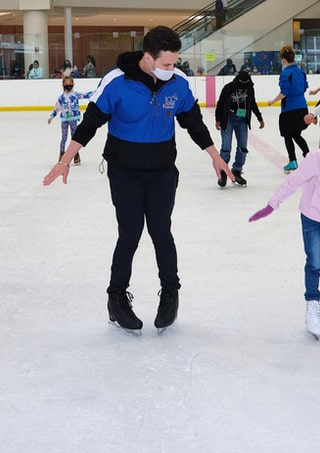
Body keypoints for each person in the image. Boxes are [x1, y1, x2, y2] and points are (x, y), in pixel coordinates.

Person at [43, 25, 234, 332]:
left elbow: (193, 122)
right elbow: (90, 123)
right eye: (167, 64)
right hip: (125, 172)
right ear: (148, 57)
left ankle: (170, 292)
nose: (173, 69)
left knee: (161, 232)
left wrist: (215, 155)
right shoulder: (117, 82)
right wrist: (65, 160)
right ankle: (116, 296)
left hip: (162, 172)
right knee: (130, 233)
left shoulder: (178, 84)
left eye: (175, 63)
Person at [249, 150, 320, 340]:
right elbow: (293, 182)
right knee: (315, 262)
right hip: (313, 218)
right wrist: (273, 204)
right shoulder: (315, 158)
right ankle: (313, 301)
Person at [215, 70, 265, 187]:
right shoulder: (228, 88)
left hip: (242, 120)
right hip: (228, 120)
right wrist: (218, 119)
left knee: (243, 148)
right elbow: (220, 103)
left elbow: (253, 103)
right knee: (226, 148)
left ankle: (237, 170)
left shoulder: (249, 88)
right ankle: (223, 172)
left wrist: (259, 117)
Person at [268, 45, 309, 173]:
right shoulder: (301, 72)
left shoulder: (286, 73)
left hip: (290, 110)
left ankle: (293, 161)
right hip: (302, 107)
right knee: (296, 134)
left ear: (284, 60)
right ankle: (308, 157)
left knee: (287, 135)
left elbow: (284, 91)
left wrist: (273, 101)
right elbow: (304, 88)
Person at [47, 76, 93, 165]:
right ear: (63, 85)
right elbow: (57, 108)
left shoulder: (75, 95)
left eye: (70, 84)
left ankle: (75, 154)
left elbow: (86, 94)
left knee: (74, 138)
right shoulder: (61, 97)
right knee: (64, 138)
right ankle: (62, 155)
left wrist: (98, 92)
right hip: (64, 119)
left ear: (72, 84)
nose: (68, 86)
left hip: (73, 119)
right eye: (66, 84)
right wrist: (51, 116)